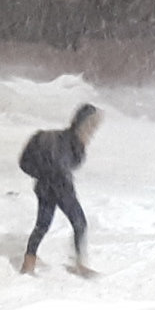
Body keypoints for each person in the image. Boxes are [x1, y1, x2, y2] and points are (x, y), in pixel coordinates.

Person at [17, 102, 102, 276]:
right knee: (79, 223)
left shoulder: (55, 137)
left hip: (44, 187)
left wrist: (41, 175)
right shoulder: (71, 143)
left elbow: (26, 163)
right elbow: (62, 166)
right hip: (61, 188)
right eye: (90, 126)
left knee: (42, 224)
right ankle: (80, 264)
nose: (92, 131)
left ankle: (29, 260)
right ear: (81, 123)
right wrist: (53, 177)